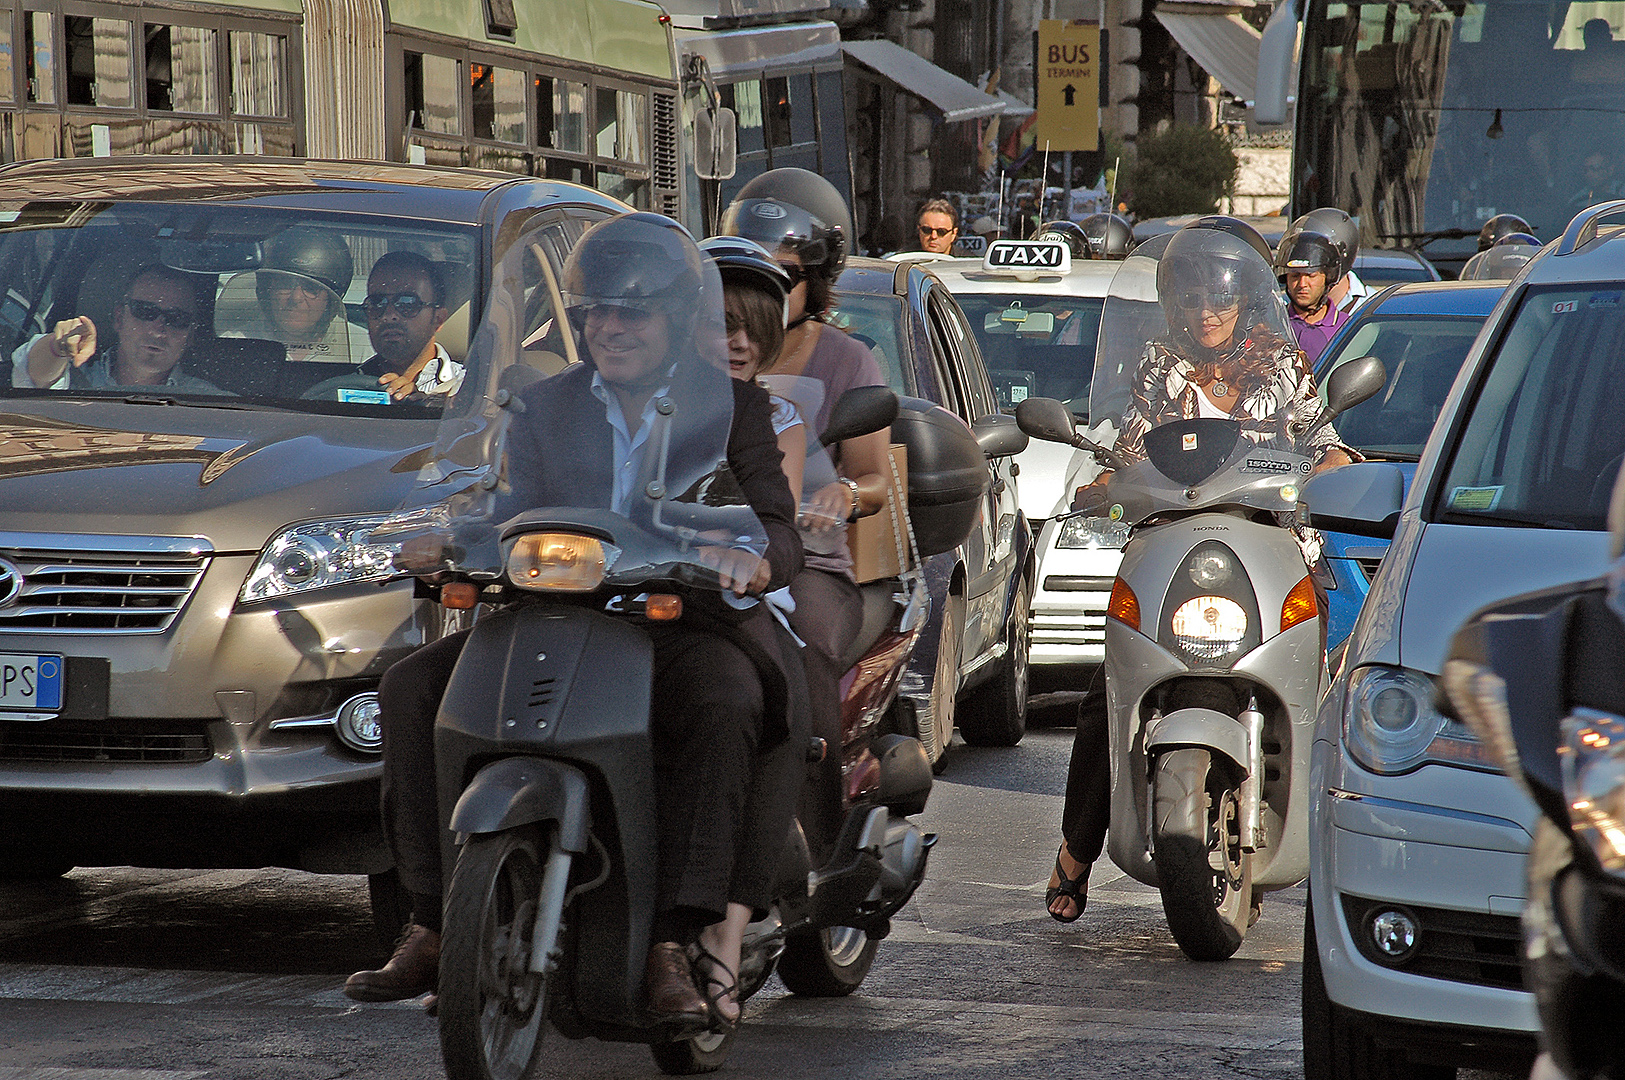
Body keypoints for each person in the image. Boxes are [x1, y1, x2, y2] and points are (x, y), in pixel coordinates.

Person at [343, 214, 803, 1037]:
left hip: (675, 620)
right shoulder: (547, 403)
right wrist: (448, 539)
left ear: (671, 318)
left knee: (727, 700)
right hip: (555, 614)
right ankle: (431, 919)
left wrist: (753, 557)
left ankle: (671, 942)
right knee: (409, 687)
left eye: (632, 312)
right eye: (594, 311)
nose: (610, 328)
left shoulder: (732, 409)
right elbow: (511, 510)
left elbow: (776, 524)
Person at [1047, 224, 1354, 924]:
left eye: (1218, 298)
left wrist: (1328, 474)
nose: (1205, 312)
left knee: (1334, 683)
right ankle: (1075, 850)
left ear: (1245, 300)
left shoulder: (1283, 365)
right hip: (1169, 548)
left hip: (1268, 550)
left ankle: (1346, 857)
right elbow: (1124, 447)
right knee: (1107, 693)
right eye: (1190, 299)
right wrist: (1100, 479)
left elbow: (1324, 442)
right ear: (1172, 304)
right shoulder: (1158, 367)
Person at [718, 167, 891, 873]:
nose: (763, 293)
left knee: (804, 654)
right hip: (706, 553)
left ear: (814, 279)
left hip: (810, 562)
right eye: (745, 274)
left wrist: (841, 497)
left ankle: (816, 854)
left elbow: (876, 476)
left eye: (782, 275)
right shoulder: (703, 355)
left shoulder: (849, 359)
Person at [10, 263, 225, 394]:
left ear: (190, 335)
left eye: (176, 318)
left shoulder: (213, 404)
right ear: (119, 318)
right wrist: (59, 347)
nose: (158, 330)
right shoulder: (73, 380)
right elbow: (32, 373)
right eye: (145, 311)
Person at [303, 251, 463, 404]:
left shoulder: (469, 392)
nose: (389, 315)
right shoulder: (339, 390)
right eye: (377, 303)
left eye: (407, 303)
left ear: (438, 319)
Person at [230, 227, 354, 361]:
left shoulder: (362, 349)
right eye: (285, 284)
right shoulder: (236, 346)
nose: (296, 297)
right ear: (266, 291)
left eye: (311, 288)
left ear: (331, 299)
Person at [1275, 227, 1350, 365]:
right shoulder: (1273, 325)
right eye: (1295, 276)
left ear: (1327, 278)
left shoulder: (1347, 328)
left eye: (1311, 276)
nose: (1302, 284)